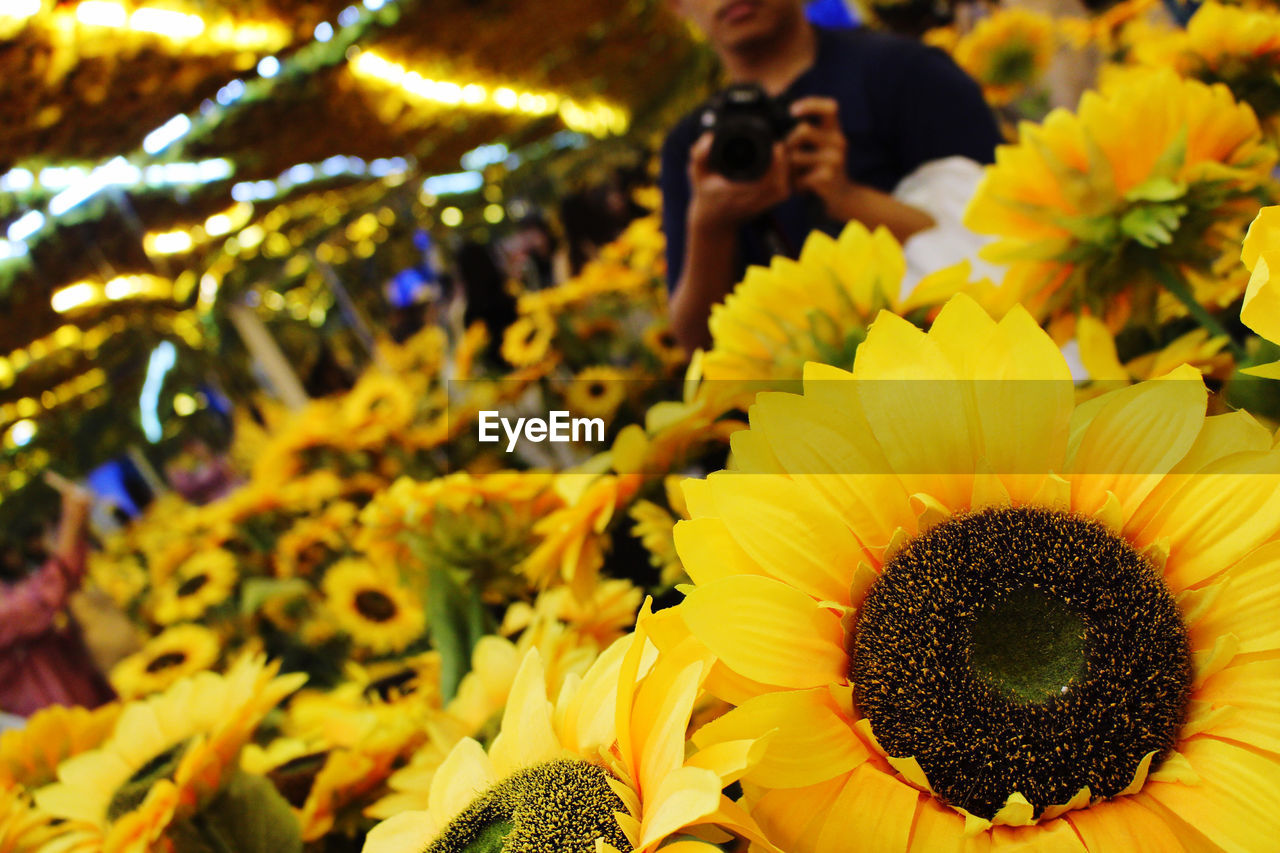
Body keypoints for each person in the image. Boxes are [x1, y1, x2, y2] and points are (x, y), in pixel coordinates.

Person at [662, 0, 1003, 349]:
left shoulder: (909, 73)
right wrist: (710, 227)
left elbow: (1002, 250)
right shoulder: (687, 147)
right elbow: (697, 344)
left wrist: (846, 198)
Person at [0, 472, 114, 716]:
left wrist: (77, 522)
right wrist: (72, 520)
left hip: (77, 696)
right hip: (52, 718)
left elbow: (60, 585)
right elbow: (42, 601)